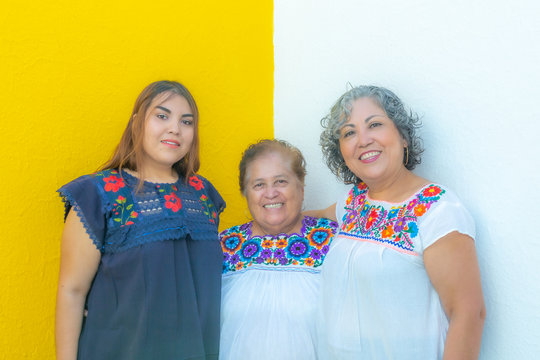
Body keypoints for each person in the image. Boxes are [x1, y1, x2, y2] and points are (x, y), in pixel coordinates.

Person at [55, 80, 226, 360]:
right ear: (137, 123)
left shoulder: (203, 195)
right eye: (162, 116)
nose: (175, 128)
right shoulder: (98, 194)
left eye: (187, 121)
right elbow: (72, 292)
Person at [316, 85, 486, 359]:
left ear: (403, 137)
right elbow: (313, 216)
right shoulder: (352, 203)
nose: (363, 140)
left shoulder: (438, 211)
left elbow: (469, 314)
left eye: (375, 124)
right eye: (349, 132)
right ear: (342, 152)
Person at [219, 139, 338, 360]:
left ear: (301, 186)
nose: (270, 193)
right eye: (258, 184)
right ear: (246, 193)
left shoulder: (335, 243)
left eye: (281, 181)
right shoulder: (223, 246)